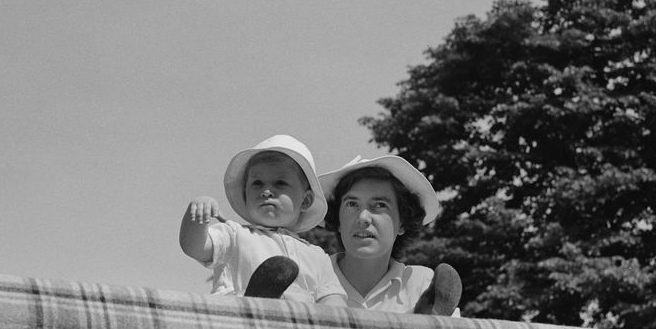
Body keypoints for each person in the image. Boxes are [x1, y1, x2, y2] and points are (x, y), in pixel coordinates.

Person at [180, 135, 346, 306]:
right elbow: (194, 247)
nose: (266, 191)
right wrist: (198, 214)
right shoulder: (235, 235)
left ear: (305, 200)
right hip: (238, 317)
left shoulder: (317, 256)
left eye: (280, 183)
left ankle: (276, 304)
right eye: (257, 183)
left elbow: (333, 299)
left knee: (305, 301)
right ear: (246, 195)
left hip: (299, 321)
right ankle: (256, 304)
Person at [318, 154, 461, 315]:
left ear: (402, 223)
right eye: (352, 204)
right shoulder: (312, 275)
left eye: (380, 205)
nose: (363, 217)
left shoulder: (423, 284)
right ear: (337, 219)